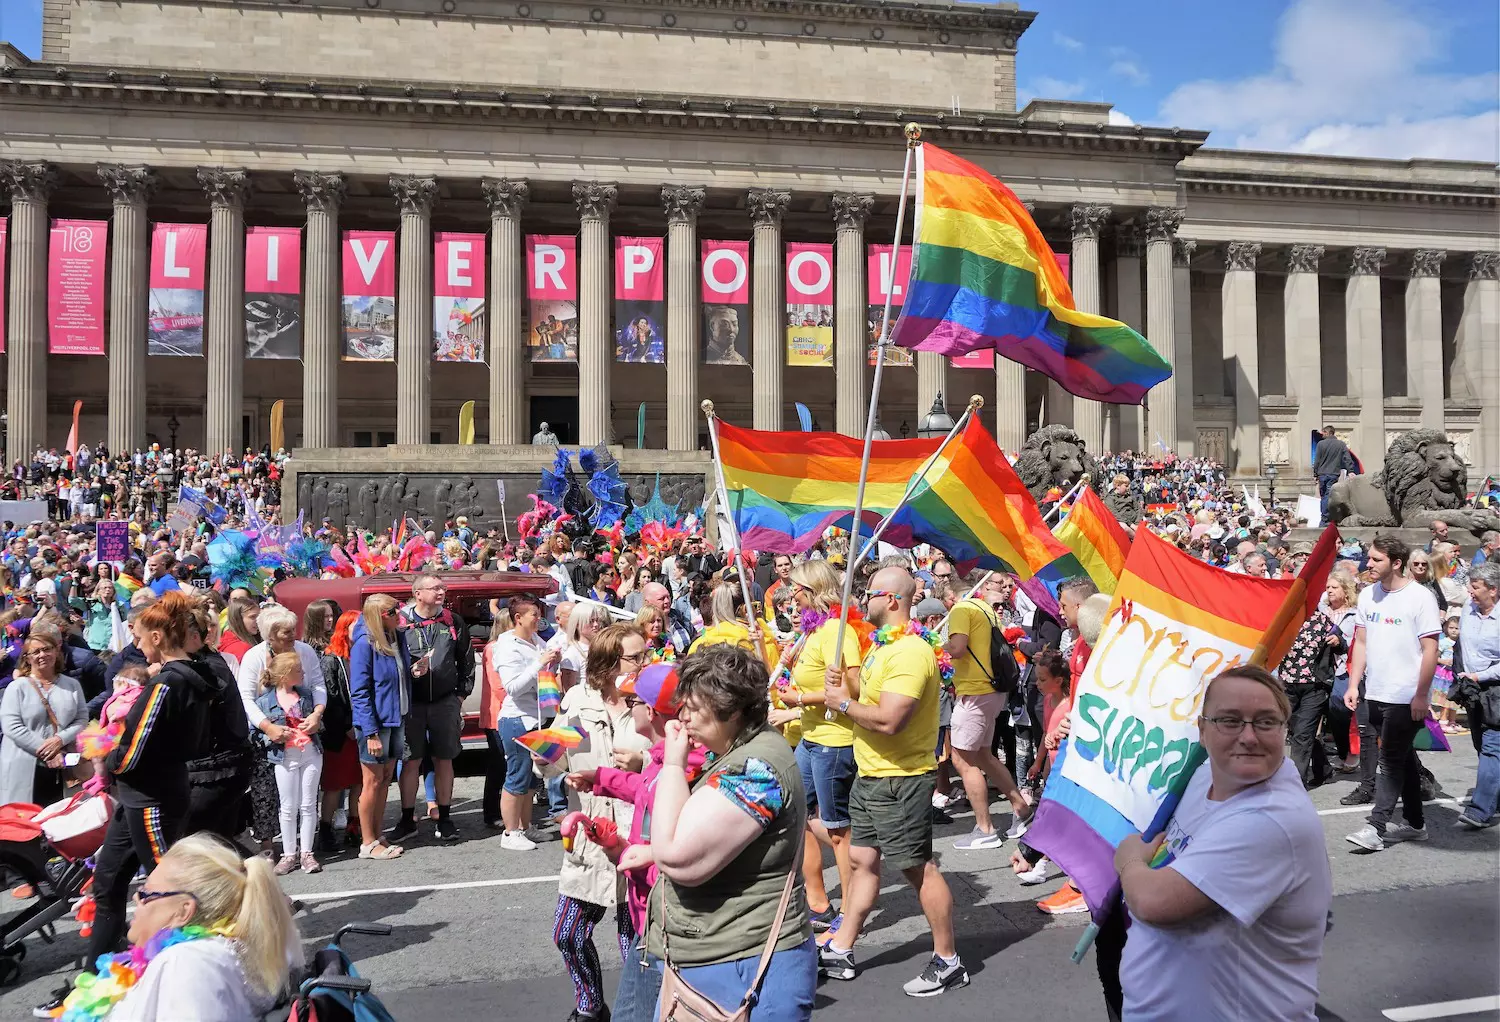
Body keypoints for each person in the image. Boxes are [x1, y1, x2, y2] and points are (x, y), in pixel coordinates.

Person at [1114, 664, 1332, 1021]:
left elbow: (1155, 902)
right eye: (1230, 721)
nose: (1249, 736)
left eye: (1265, 722)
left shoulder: (1271, 820)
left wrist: (1129, 861)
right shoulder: (1206, 775)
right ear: (1203, 731)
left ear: (1283, 729)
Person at [45, 591, 220, 1018]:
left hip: (153, 798)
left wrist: (102, 762)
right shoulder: (181, 674)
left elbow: (137, 745)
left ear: (158, 637)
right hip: (139, 796)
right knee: (107, 886)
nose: (137, 646)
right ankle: (97, 981)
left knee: (173, 895)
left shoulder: (167, 682)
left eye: (140, 637)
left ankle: (208, 980)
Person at [635, 644, 816, 1021]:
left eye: (692, 708)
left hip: (744, 963)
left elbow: (678, 858)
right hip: (720, 955)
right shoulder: (737, 751)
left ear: (732, 711)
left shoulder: (755, 768)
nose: (681, 717)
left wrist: (672, 762)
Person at [819, 566, 967, 997]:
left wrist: (843, 703)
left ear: (893, 600)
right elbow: (868, 699)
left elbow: (889, 720)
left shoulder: (909, 653)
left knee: (919, 869)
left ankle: (949, 961)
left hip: (900, 779)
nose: (862, 598)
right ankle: (843, 947)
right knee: (862, 862)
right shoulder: (883, 646)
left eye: (868, 592)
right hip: (871, 776)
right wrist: (844, 681)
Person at [574, 663, 707, 1022]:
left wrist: (632, 855)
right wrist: (601, 778)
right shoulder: (665, 759)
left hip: (661, 919)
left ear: (649, 711)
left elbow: (676, 843)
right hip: (647, 916)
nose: (624, 704)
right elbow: (642, 788)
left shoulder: (683, 769)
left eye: (631, 699)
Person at [54, 833, 298, 1022]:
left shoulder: (187, 964)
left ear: (183, 911)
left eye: (147, 893)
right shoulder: (228, 949)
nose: (136, 899)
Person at [542, 623, 646, 1022]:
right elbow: (556, 760)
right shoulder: (576, 700)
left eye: (644, 654)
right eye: (634, 657)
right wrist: (545, 758)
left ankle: (639, 1011)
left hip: (636, 836)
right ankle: (590, 1007)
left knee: (633, 943)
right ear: (606, 664)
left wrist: (642, 763)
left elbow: (680, 761)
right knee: (567, 933)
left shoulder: (649, 701)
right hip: (590, 835)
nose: (643, 662)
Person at [783, 559, 867, 934]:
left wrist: (803, 698)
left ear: (813, 590)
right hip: (810, 737)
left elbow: (855, 690)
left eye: (796, 589)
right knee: (793, 813)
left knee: (838, 831)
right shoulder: (812, 632)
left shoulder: (837, 630)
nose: (790, 595)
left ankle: (851, 913)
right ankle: (819, 900)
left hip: (834, 742)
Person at [1344, 536, 1442, 852]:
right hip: (1375, 691)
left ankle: (1376, 826)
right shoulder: (1368, 596)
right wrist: (1353, 683)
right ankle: (1415, 824)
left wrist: (1421, 695)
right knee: (1403, 759)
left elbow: (1430, 650)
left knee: (1389, 760)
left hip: (1405, 694)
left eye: (1375, 560)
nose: (1367, 564)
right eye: (1368, 559)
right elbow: (1360, 642)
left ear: (1396, 563)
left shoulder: (1420, 597)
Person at [944, 575, 1031, 850]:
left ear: (952, 597)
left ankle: (985, 830)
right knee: (983, 755)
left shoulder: (962, 609)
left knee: (962, 760)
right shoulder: (985, 610)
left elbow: (956, 649)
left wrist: (930, 645)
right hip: (990, 691)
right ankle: (1021, 809)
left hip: (975, 693)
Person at [237, 604, 327, 855]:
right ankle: (270, 848)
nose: (293, 635)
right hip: (267, 735)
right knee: (266, 793)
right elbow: (245, 698)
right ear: (270, 635)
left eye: (292, 630)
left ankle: (304, 849)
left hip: (303, 735)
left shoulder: (305, 651)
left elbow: (318, 683)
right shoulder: (254, 657)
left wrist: (317, 713)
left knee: (306, 798)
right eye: (286, 632)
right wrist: (268, 727)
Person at [389, 573, 470, 844]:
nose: (441, 591)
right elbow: (393, 664)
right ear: (418, 593)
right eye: (434, 588)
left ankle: (445, 818)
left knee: (444, 759)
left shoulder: (452, 620)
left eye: (442, 587)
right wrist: (411, 672)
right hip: (412, 704)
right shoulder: (400, 623)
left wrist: (459, 697)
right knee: (410, 761)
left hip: (445, 702)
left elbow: (466, 660)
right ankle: (407, 817)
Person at [493, 592, 563, 850]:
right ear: (518, 618)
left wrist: (551, 663)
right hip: (517, 719)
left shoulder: (536, 641)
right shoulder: (507, 646)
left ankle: (525, 827)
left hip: (539, 718)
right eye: (534, 614)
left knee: (532, 780)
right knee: (517, 777)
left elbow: (544, 676)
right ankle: (510, 833)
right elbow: (513, 687)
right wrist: (539, 663)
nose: (539, 619)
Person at [349, 593, 413, 860]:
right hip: (376, 723)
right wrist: (371, 732)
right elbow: (360, 691)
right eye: (393, 611)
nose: (400, 615)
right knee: (372, 781)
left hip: (396, 717)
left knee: (386, 778)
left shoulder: (395, 638)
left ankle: (377, 834)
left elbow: (397, 676)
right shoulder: (364, 644)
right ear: (380, 615)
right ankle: (367, 842)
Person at [255, 650, 325, 875]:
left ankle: (306, 853)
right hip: (284, 757)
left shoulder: (305, 695)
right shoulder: (265, 701)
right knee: (287, 806)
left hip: (311, 753)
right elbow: (253, 734)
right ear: (285, 675)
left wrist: (315, 722)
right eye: (298, 670)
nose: (303, 673)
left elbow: (319, 721)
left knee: (308, 804)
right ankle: (288, 854)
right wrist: (271, 736)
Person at [0, 629, 87, 807]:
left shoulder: (72, 685)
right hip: (24, 765)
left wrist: (59, 740)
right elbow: (12, 726)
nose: (43, 655)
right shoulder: (17, 688)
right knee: (24, 822)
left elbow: (81, 718)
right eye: (36, 651)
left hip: (62, 767)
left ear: (56, 651)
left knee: (59, 819)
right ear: (27, 658)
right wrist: (46, 751)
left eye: (47, 649)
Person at [1278, 596, 1344, 788]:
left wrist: (1337, 641)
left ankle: (1295, 784)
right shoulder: (1282, 620)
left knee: (1302, 734)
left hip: (1315, 686)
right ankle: (1323, 768)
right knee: (1297, 731)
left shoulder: (1322, 620)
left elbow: (1343, 645)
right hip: (1287, 684)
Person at [1454, 563, 1500, 828]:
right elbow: (1462, 645)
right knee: (1481, 746)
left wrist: (1480, 675)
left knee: (1493, 747)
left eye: (1475, 586)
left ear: (1493, 590)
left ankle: (1479, 810)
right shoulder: (1468, 610)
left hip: (1495, 688)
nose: (1469, 591)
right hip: (1470, 689)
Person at [317, 609, 364, 853]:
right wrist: (347, 726)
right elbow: (331, 697)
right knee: (334, 785)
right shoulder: (331, 658)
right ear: (345, 629)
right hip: (340, 733)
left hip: (362, 728)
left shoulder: (364, 652)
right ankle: (325, 830)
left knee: (359, 781)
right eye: (357, 625)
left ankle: (354, 826)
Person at [1312, 425, 1349, 517]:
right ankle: (1328, 516)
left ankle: (1325, 516)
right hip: (1333, 474)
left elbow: (1317, 461)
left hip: (1322, 474)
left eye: (1323, 432)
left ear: (1328, 433)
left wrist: (1315, 474)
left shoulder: (1320, 444)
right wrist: (1351, 470)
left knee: (1324, 496)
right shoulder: (1341, 444)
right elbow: (1347, 459)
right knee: (1329, 495)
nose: (1322, 435)